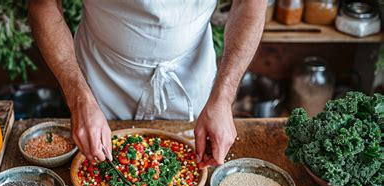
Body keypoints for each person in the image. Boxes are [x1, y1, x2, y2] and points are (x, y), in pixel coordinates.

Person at [28, 0, 266, 167]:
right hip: (102, 78)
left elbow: (250, 3)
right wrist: (79, 99)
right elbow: (43, 4)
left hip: (190, 76)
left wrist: (223, 99)